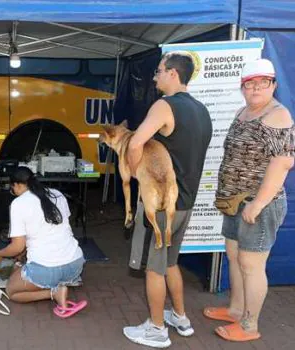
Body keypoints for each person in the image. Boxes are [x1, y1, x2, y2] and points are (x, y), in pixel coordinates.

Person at [122, 52, 212, 348]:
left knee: (155, 268)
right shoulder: (201, 110)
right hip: (184, 203)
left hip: (161, 204)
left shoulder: (164, 106)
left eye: (159, 71)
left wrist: (136, 173)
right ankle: (180, 317)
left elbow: (135, 142)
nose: (154, 76)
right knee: (171, 262)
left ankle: (156, 329)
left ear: (174, 74)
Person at [203, 59, 294, 342]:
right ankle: (235, 309)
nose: (255, 88)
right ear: (243, 87)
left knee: (251, 264)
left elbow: (283, 163)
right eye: (249, 84)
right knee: (234, 256)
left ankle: (249, 326)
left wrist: (258, 204)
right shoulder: (245, 111)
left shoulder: (278, 115)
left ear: (273, 85)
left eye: (262, 83)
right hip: (235, 202)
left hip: (258, 204)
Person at [0, 167, 87, 318]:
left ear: (18, 185)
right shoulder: (57, 194)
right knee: (18, 266)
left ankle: (53, 293)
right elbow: (56, 230)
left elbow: (17, 246)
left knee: (12, 291)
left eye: (12, 188)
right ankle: (56, 284)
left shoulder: (19, 204)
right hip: (75, 266)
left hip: (47, 271)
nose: (13, 192)